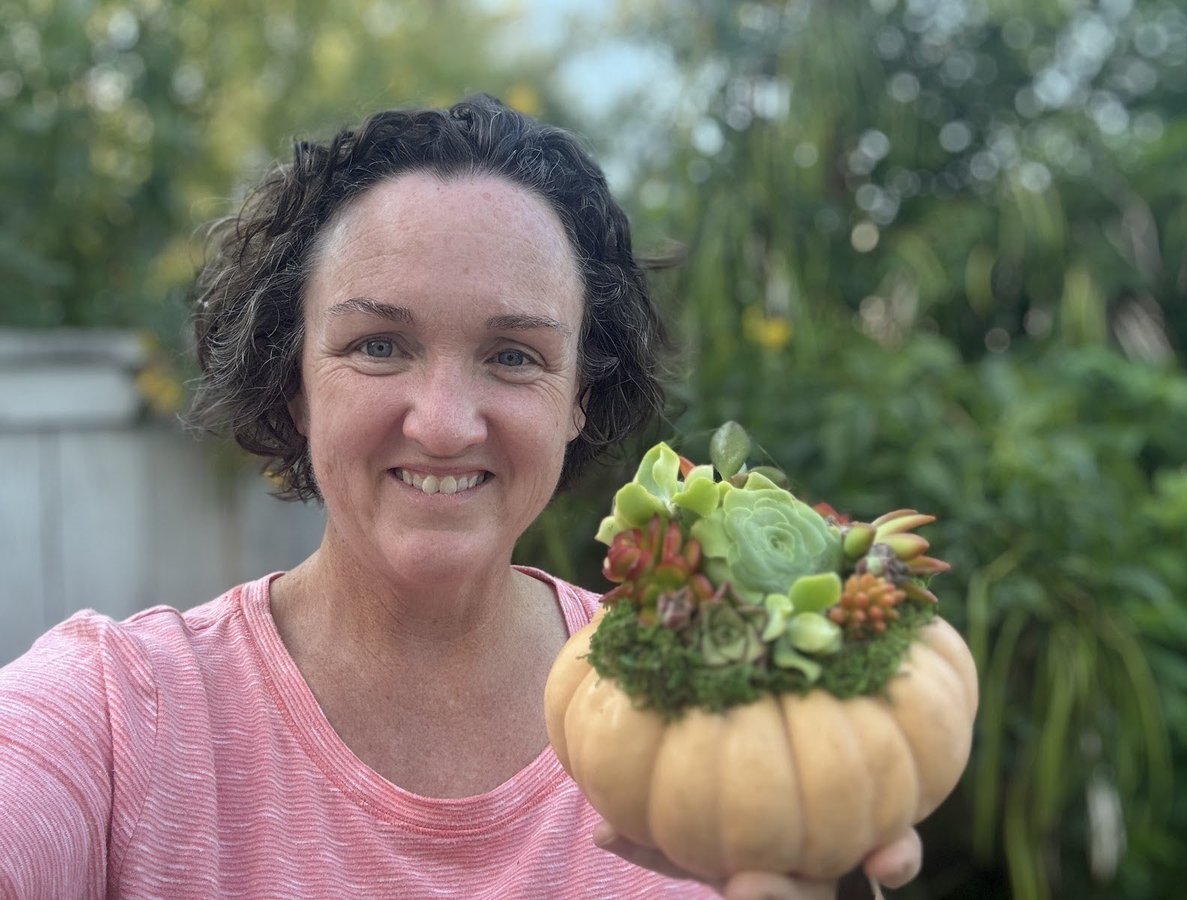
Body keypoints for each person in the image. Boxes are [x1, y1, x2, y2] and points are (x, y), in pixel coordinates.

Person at [0, 95, 922, 899]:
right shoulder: (118, 719)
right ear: (294, 383)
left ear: (578, 399)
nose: (444, 424)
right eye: (378, 345)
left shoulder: (723, 699)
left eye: (514, 356)